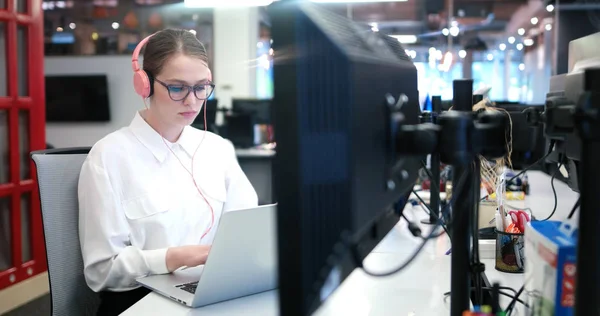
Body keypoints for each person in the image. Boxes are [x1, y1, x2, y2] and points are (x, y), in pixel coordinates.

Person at [77, 28, 258, 316]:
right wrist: (173, 258)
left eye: (202, 87)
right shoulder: (109, 156)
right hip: (140, 299)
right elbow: (102, 272)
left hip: (214, 292)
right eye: (177, 87)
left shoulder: (217, 149)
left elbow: (249, 229)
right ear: (144, 85)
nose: (192, 101)